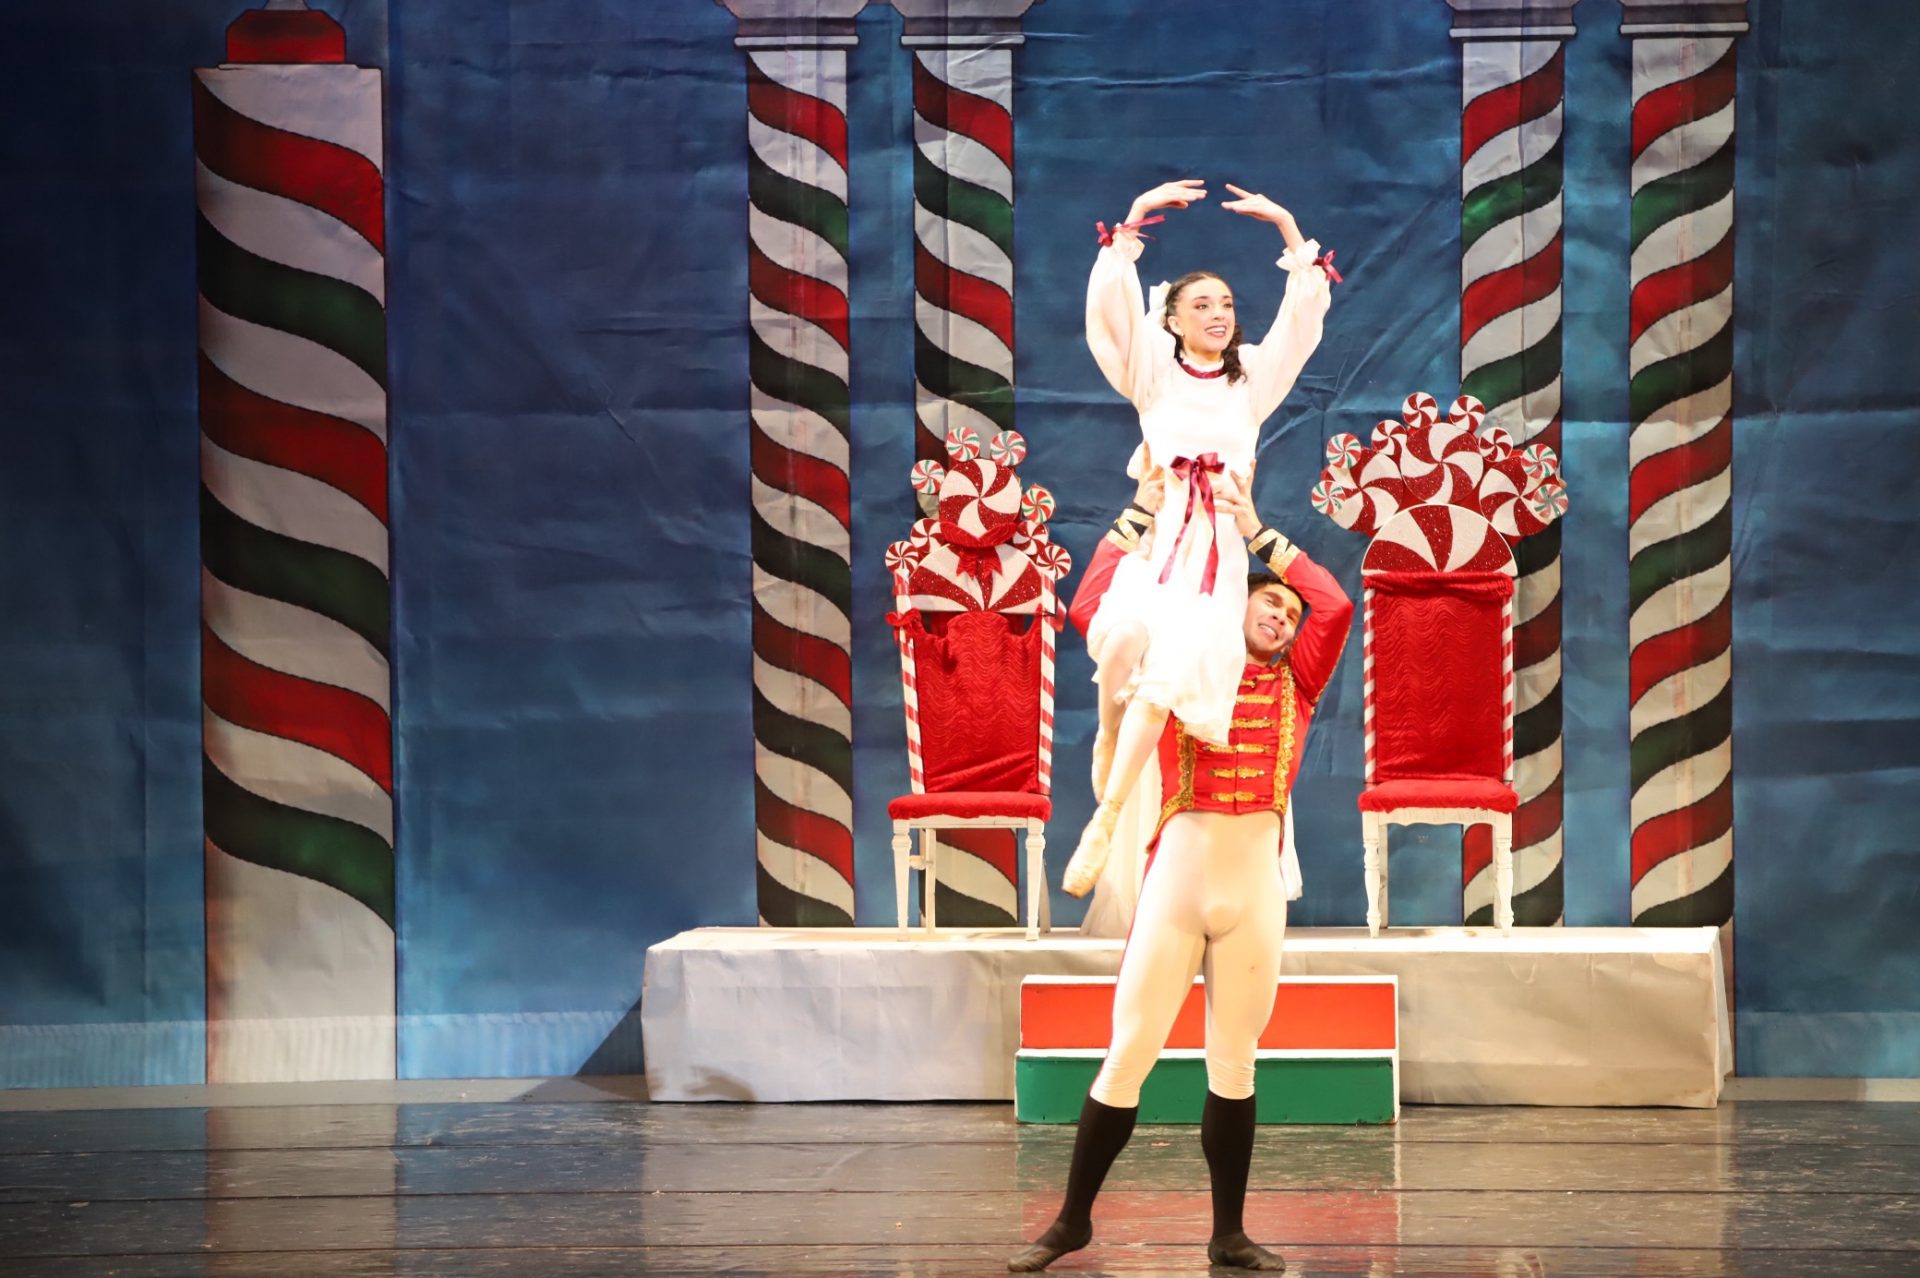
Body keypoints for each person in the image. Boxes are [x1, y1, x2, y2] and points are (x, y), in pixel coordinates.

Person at [1011, 481, 1354, 1275]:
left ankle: (1228, 1234)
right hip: (1177, 885)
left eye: (1289, 612)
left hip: (1252, 894)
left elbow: (1334, 603)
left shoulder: (1299, 681)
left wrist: (1258, 532)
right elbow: (1093, 611)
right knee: (1129, 1053)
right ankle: (1071, 1222)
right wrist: (1135, 516)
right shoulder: (1183, 667)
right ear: (1235, 605)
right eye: (1269, 602)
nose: (1284, 616)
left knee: (1235, 1063)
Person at [1068, 178, 1335, 897]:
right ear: (1174, 320)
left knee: (1162, 687)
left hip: (1216, 562)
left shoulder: (1252, 383)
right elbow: (1110, 314)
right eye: (1202, 305)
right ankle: (1105, 733)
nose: (1219, 314)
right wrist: (1132, 219)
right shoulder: (1152, 374)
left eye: (1226, 304)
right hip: (1160, 549)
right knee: (1123, 641)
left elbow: (1301, 324)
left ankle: (1105, 821)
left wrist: (1287, 224)